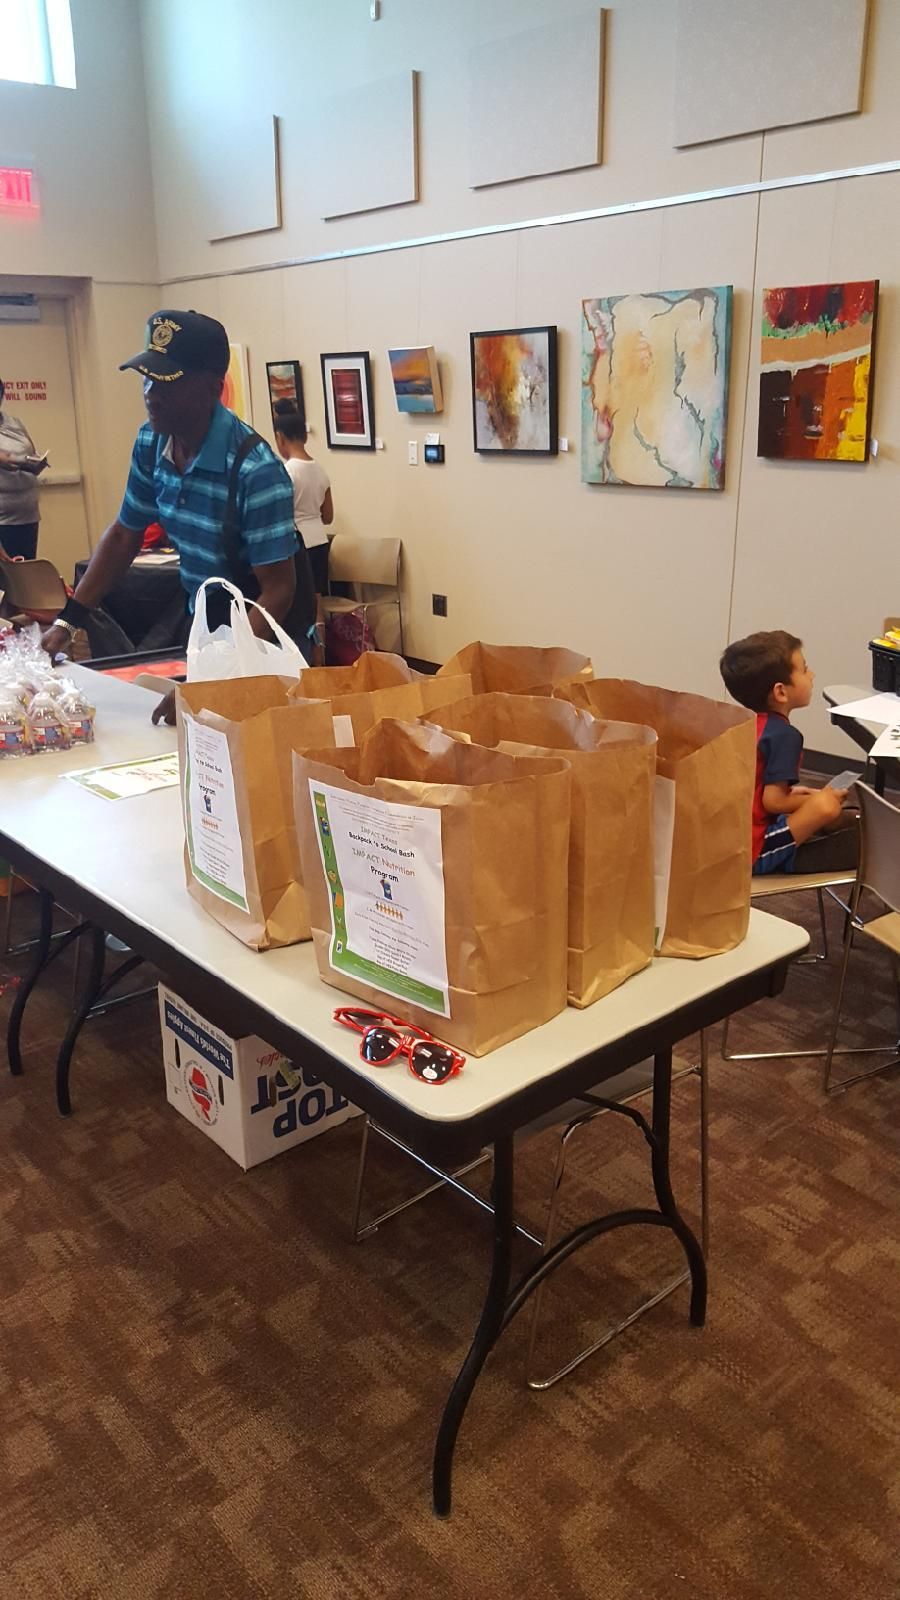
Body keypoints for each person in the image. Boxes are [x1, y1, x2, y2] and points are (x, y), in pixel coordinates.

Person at [41, 310, 302, 723]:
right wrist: (69, 621)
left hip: (262, 633)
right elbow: (127, 533)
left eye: (168, 381)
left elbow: (278, 593)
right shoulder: (151, 441)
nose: (150, 393)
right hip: (207, 622)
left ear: (213, 388)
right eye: (146, 378)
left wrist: (213, 683)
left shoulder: (255, 470)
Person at [720, 629, 858, 875]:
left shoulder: (747, 723)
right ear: (781, 692)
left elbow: (758, 787)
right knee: (826, 807)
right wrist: (816, 802)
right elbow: (773, 802)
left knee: (825, 805)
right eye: (804, 669)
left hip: (729, 836)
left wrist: (793, 794)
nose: (812, 674)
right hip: (751, 850)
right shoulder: (785, 736)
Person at [272, 399, 333, 595]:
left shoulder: (286, 472)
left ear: (280, 438)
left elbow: (279, 514)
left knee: (299, 602)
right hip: (320, 541)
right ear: (305, 436)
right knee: (317, 598)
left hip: (297, 543)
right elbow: (328, 517)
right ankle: (320, 627)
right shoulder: (321, 471)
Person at [0, 375, 48, 560]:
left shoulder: (14, 423)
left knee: (24, 575)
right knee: (5, 581)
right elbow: (6, 458)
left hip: (27, 514)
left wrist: (35, 463)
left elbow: (29, 451)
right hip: (2, 519)